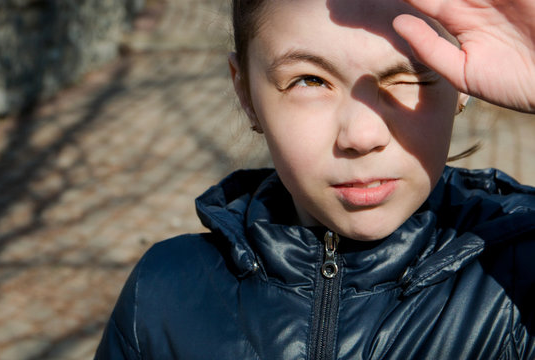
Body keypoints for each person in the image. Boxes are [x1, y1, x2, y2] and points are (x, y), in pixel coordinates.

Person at [95, 0, 535, 358]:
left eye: (410, 76)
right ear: (245, 92)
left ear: (461, 85)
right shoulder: (164, 294)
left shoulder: (522, 270)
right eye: (310, 80)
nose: (362, 136)